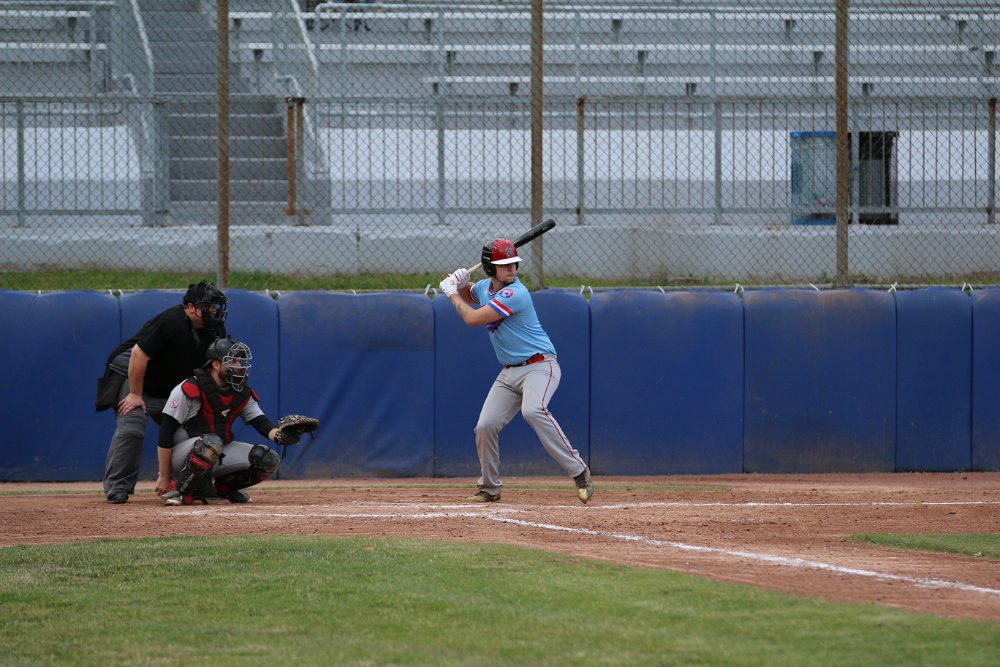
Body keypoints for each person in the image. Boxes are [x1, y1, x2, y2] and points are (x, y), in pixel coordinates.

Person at [439, 238, 594, 504]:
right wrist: (461, 283)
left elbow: (472, 318)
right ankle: (489, 488)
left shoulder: (516, 293)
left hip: (540, 366)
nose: (511, 268)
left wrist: (451, 293)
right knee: (485, 426)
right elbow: (470, 295)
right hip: (509, 372)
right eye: (504, 264)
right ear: (490, 268)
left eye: (513, 263)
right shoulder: (485, 287)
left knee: (533, 410)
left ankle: (579, 471)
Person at [98, 281, 228, 504]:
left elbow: (210, 367)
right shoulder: (171, 321)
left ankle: (193, 483)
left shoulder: (214, 329)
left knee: (190, 435)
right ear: (190, 307)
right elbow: (138, 355)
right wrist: (135, 394)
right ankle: (117, 487)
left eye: (215, 306)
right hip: (135, 378)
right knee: (132, 428)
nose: (213, 311)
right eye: (207, 306)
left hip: (170, 385)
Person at [155, 337, 283, 506]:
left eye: (240, 361)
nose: (239, 366)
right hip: (180, 456)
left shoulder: (240, 391)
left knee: (267, 459)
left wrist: (281, 436)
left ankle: (224, 488)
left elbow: (261, 422)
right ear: (216, 364)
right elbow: (165, 432)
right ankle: (181, 489)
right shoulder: (190, 387)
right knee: (211, 443)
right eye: (233, 361)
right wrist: (164, 475)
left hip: (215, 449)